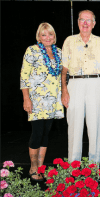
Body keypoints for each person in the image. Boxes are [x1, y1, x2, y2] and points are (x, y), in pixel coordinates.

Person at [61, 10, 100, 163]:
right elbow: (64, 70)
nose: (85, 23)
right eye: (82, 20)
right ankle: (73, 168)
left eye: (88, 20)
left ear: (94, 24)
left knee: (95, 127)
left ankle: (93, 169)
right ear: (77, 22)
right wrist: (64, 91)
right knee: (74, 128)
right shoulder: (69, 41)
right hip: (75, 84)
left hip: (96, 84)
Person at [20, 22, 64, 181]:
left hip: (53, 101)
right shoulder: (32, 51)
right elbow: (24, 77)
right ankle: (32, 168)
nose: (47, 37)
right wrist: (26, 98)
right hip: (37, 101)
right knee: (37, 133)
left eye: (50, 34)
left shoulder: (59, 52)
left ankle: (40, 167)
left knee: (46, 134)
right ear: (39, 36)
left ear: (54, 36)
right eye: (43, 35)